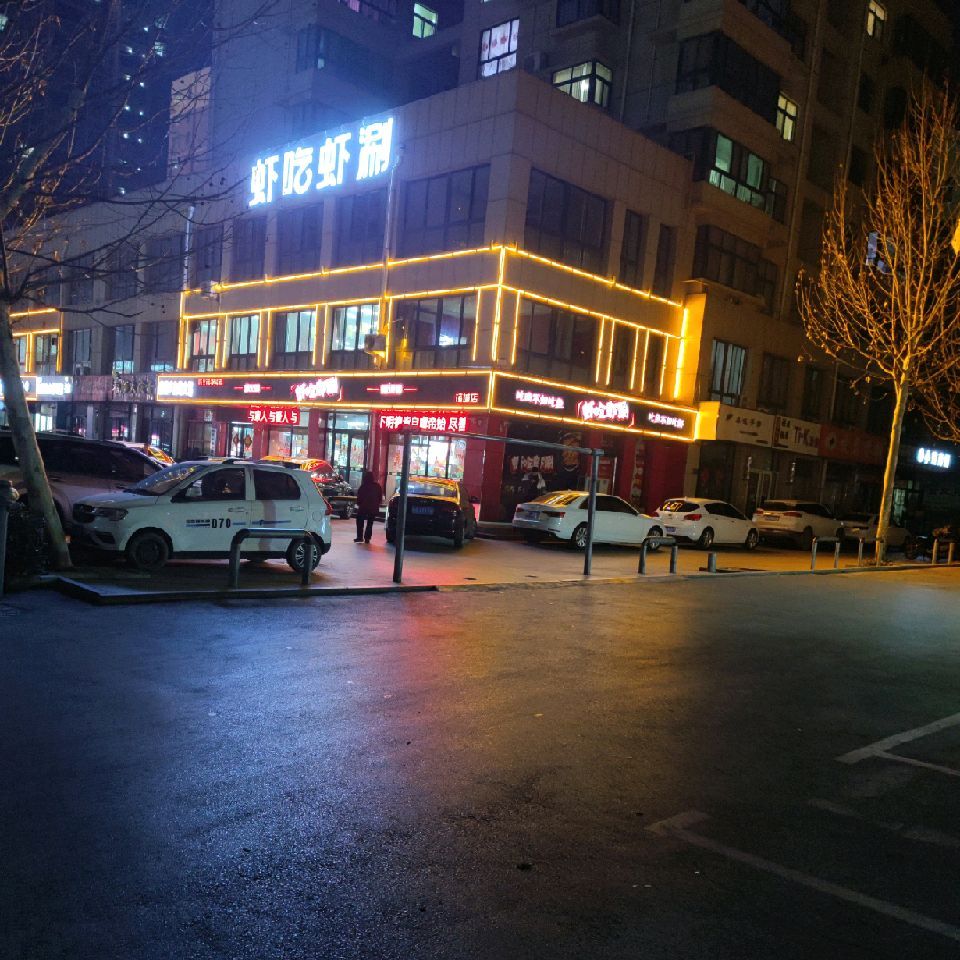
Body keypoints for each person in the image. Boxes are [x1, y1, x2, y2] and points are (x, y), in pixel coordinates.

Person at [354, 469, 383, 543]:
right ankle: (367, 538)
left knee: (360, 521)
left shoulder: (363, 486)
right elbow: (380, 497)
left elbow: (359, 497)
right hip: (373, 508)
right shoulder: (377, 486)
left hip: (363, 507)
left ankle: (359, 537)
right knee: (370, 523)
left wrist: (359, 503)